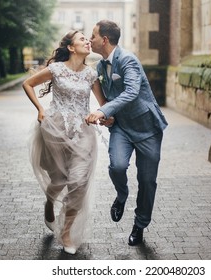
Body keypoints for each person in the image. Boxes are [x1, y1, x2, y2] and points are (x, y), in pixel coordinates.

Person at [22, 30, 111, 254]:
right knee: (59, 179)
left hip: (83, 132)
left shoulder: (91, 75)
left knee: (79, 181)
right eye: (82, 39)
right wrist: (40, 109)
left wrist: (103, 115)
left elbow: (103, 103)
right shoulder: (56, 69)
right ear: (71, 47)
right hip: (55, 128)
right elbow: (27, 84)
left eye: (88, 39)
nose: (88, 42)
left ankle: (66, 231)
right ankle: (50, 201)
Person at [86, 20, 168, 246]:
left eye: (92, 36)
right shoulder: (101, 67)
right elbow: (110, 96)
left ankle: (139, 225)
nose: (90, 39)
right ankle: (122, 196)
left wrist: (103, 110)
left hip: (147, 128)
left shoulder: (128, 60)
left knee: (147, 180)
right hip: (121, 126)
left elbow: (132, 91)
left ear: (104, 39)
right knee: (117, 166)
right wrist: (108, 115)